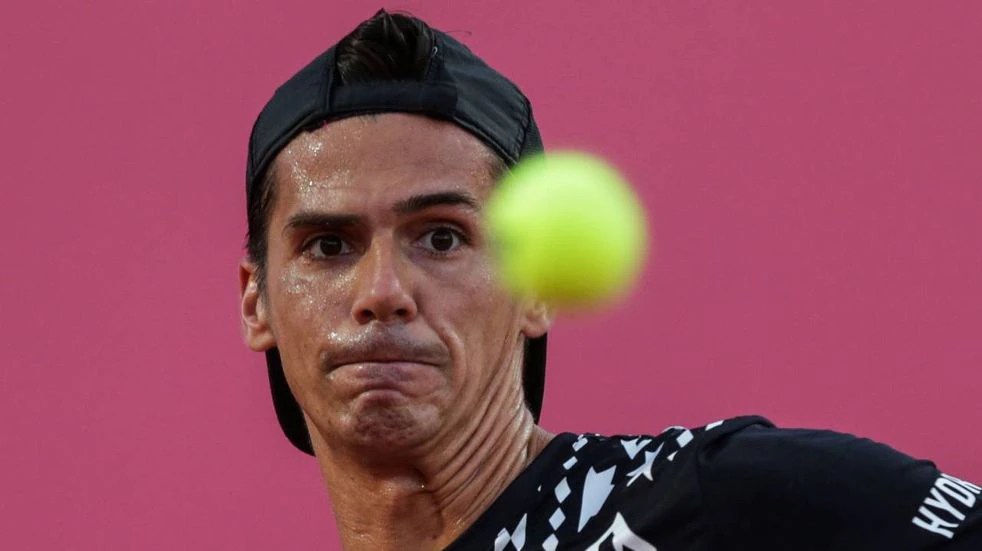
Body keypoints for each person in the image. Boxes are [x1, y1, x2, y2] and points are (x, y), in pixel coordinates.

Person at [238, 9, 981, 550]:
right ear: (255, 300)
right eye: (328, 245)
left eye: (442, 237)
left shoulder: (711, 500)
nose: (382, 291)